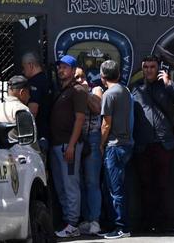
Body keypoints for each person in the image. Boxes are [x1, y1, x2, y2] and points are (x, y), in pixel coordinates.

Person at [132, 56, 174, 233]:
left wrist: (169, 84)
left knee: (163, 185)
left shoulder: (166, 88)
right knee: (145, 185)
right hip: (143, 144)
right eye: (146, 67)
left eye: (152, 67)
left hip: (163, 143)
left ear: (158, 69)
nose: (149, 70)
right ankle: (147, 223)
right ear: (142, 69)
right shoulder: (136, 90)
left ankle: (163, 224)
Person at [50, 54, 89, 239]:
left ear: (73, 71)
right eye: (60, 67)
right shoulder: (62, 90)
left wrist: (72, 145)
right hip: (56, 145)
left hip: (69, 145)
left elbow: (80, 118)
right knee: (60, 185)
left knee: (70, 184)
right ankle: (67, 221)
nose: (61, 70)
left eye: (65, 67)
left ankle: (73, 223)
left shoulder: (78, 90)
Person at [98, 60, 133, 241]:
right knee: (114, 187)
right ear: (118, 75)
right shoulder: (125, 91)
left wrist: (101, 144)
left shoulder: (108, 94)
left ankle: (121, 227)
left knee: (115, 189)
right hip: (126, 144)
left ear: (103, 77)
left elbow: (106, 124)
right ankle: (116, 225)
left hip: (114, 145)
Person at [79, 69, 105, 236]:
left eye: (82, 77)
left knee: (92, 181)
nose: (79, 80)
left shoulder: (95, 89)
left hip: (93, 138)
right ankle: (86, 218)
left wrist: (85, 92)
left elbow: (96, 108)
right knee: (79, 182)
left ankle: (95, 220)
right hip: (76, 139)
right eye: (76, 78)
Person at [21, 52, 51, 150]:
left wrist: (26, 132)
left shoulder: (35, 83)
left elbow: (33, 110)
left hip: (37, 135)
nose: (23, 71)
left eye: (24, 67)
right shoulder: (47, 79)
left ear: (30, 65)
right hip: (47, 131)